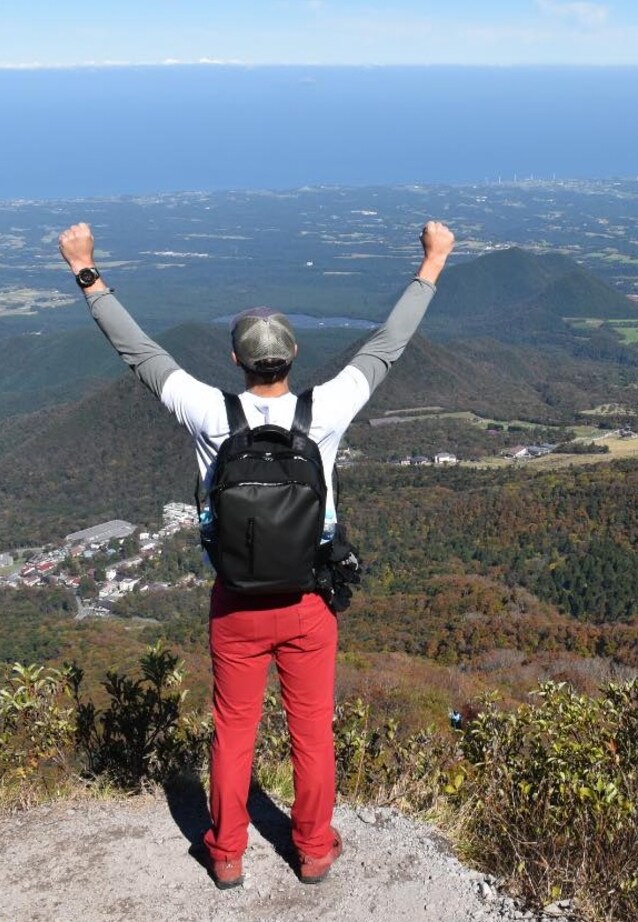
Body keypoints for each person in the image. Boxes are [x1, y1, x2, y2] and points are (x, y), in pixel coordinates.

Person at [59, 218, 455, 889]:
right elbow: (389, 346)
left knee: (234, 729)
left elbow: (139, 352)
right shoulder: (324, 409)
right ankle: (313, 849)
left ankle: (227, 853)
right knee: (311, 733)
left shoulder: (210, 413)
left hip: (236, 604)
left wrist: (86, 270)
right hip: (308, 602)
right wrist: (434, 262)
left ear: (238, 361)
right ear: (293, 358)